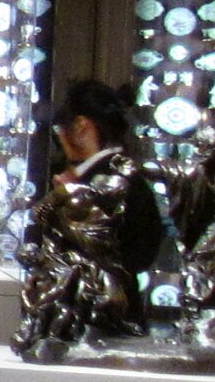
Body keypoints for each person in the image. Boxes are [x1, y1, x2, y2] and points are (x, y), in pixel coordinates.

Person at [48, 78, 164, 277]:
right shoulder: (128, 176)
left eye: (60, 129)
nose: (59, 137)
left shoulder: (105, 182)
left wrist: (67, 201)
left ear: (81, 125)